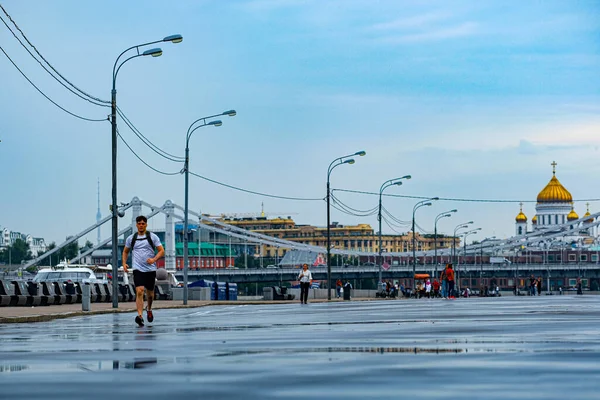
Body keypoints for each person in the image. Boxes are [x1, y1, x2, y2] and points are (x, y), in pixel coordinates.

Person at [122, 215, 165, 327]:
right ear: (136, 225)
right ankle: (140, 316)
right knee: (140, 291)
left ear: (146, 224)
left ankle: (149, 309)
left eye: (143, 223)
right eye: (139, 223)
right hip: (138, 268)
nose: (141, 225)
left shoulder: (153, 237)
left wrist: (154, 259)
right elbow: (125, 251)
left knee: (150, 294)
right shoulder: (131, 238)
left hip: (150, 269)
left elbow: (161, 251)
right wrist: (124, 263)